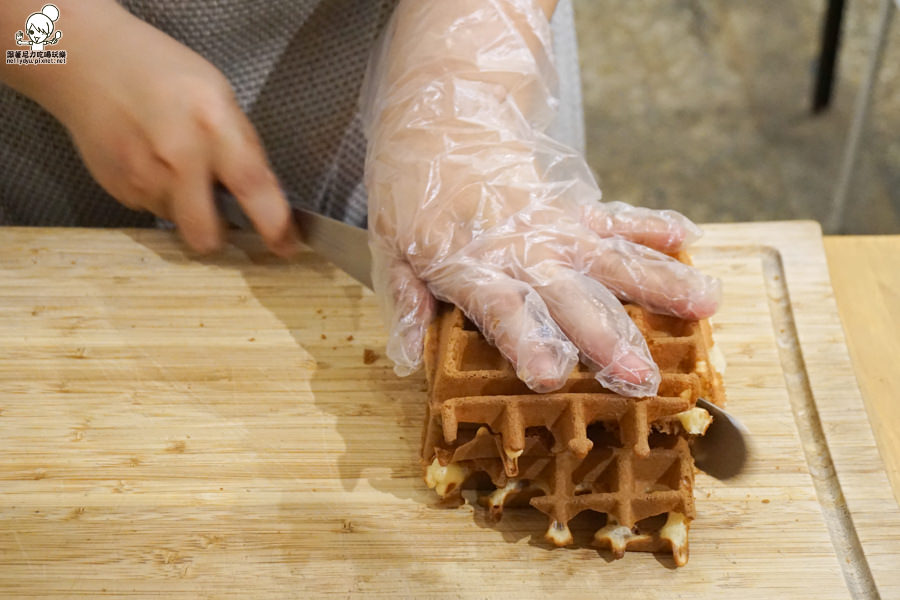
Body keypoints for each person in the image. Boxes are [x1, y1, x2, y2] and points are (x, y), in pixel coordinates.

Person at [0, 0, 719, 398]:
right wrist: (65, 52)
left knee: (515, 305)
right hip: (62, 120)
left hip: (462, 86)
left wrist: (460, 93)